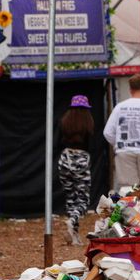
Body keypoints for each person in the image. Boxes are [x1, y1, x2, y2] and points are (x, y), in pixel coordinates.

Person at [103, 74, 140, 192]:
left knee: (128, 190)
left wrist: (118, 143)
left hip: (125, 154)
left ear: (130, 89)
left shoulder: (120, 108)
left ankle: (124, 209)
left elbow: (108, 132)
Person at [58, 95, 94, 245]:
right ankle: (73, 221)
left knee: (71, 198)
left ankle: (74, 234)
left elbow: (58, 142)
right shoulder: (88, 123)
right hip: (81, 160)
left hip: (65, 159)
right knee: (83, 200)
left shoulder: (64, 122)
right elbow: (91, 143)